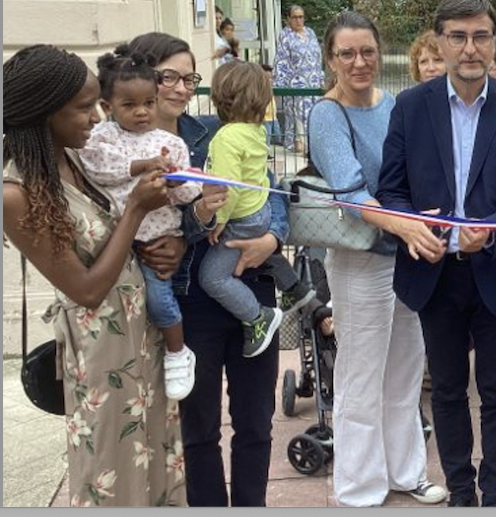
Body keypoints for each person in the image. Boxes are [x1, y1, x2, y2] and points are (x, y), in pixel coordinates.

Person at [377, 0, 496, 507]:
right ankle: (460, 493)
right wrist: (410, 228)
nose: (470, 48)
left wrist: (491, 229)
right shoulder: (410, 107)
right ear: (440, 43)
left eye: (480, 36)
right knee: (447, 393)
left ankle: (495, 498)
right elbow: (391, 191)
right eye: (458, 37)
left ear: (495, 43)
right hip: (435, 272)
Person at [3, 45, 183, 506]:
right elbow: (85, 289)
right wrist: (137, 210)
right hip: (102, 355)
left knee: (156, 462)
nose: (95, 118)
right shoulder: (17, 192)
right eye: (83, 108)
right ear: (44, 113)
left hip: (142, 339)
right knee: (114, 472)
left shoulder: (77, 159)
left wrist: (171, 243)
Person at [127, 32, 289, 506]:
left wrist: (272, 238)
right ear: (144, 79)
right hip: (188, 303)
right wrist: (190, 226)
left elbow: (269, 192)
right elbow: (141, 229)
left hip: (250, 287)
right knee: (198, 429)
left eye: (188, 77)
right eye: (167, 77)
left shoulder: (212, 133)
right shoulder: (123, 152)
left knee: (256, 423)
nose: (179, 88)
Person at [309, 9, 447, 507]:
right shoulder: (327, 113)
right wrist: (407, 222)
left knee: (407, 369)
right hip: (360, 260)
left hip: (404, 254)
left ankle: (406, 471)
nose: (359, 61)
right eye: (347, 53)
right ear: (331, 59)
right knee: (360, 374)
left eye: (367, 50)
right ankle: (359, 486)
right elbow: (350, 192)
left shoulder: (395, 105)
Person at [79, 47, 202, 401]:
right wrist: (142, 166)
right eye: (130, 105)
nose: (142, 112)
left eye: (148, 103)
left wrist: (178, 184)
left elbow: (189, 193)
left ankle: (178, 353)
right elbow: (98, 167)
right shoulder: (102, 137)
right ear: (107, 106)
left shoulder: (171, 143)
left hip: (154, 242)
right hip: (114, 239)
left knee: (160, 303)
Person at [198, 60, 320, 358]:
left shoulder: (226, 137)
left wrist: (219, 221)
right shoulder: (256, 131)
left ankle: (257, 317)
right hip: (260, 210)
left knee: (212, 277)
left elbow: (227, 185)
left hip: (241, 217)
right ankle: (294, 289)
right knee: (255, 257)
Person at [274, 4, 325, 152]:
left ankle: (313, 148)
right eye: (295, 17)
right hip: (296, 86)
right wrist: (280, 87)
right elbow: (281, 61)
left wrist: (321, 78)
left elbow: (318, 58)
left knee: (314, 116)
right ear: (288, 19)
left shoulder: (310, 33)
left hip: (314, 84)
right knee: (300, 118)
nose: (298, 20)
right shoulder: (286, 36)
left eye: (301, 17)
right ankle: (303, 148)